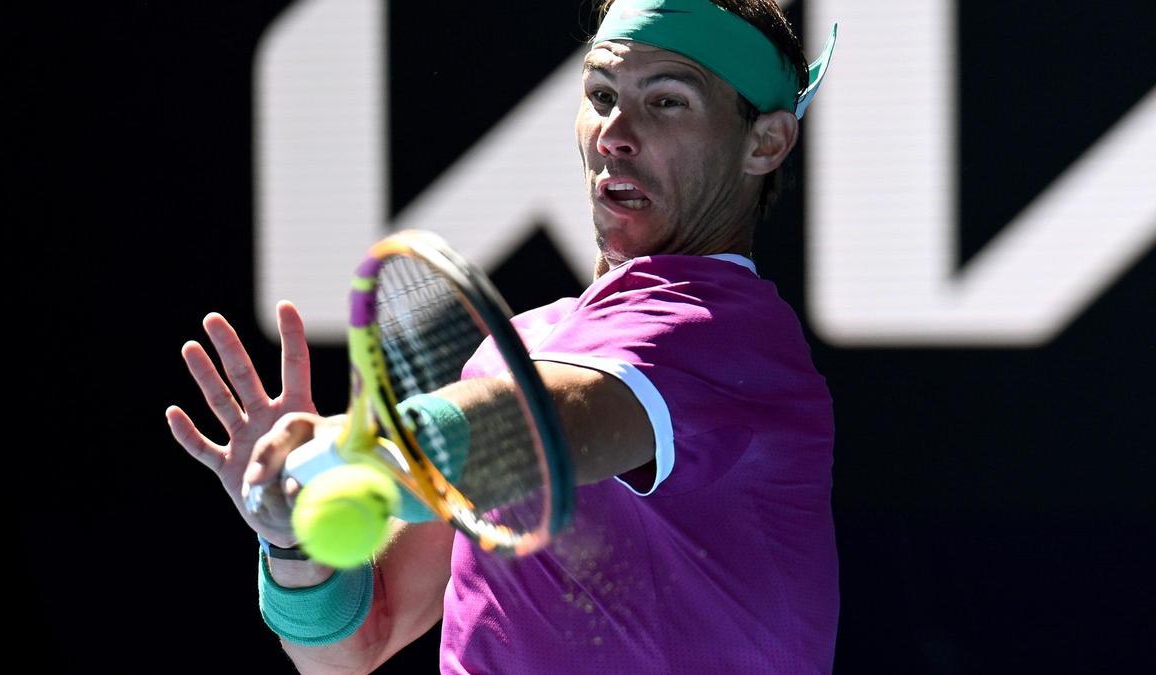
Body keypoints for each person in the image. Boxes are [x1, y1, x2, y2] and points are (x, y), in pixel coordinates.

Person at [166, 0, 839, 672]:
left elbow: (527, 432)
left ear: (766, 142)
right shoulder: (520, 347)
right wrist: (290, 541)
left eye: (667, 102)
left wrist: (339, 451)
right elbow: (357, 643)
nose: (614, 133)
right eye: (600, 94)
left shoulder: (727, 340)